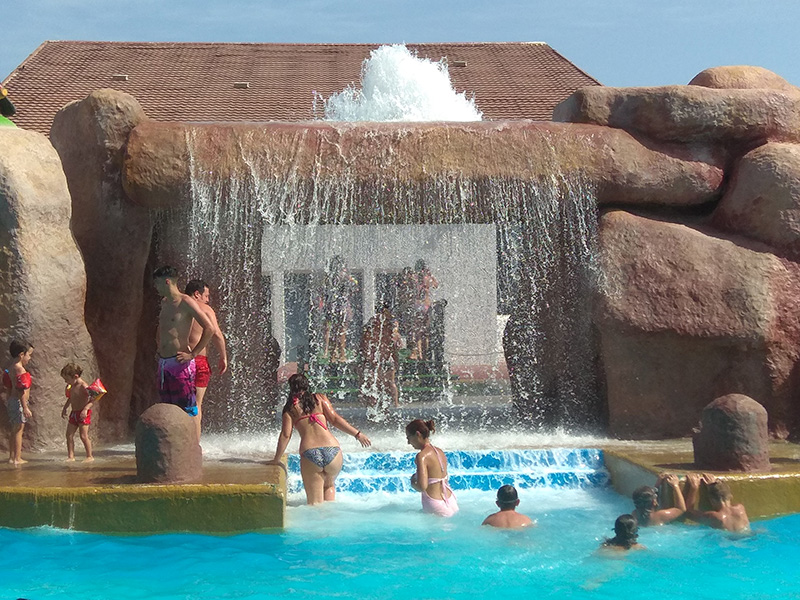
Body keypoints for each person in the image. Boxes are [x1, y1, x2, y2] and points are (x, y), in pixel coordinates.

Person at [267, 373, 371, 505]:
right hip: (333, 451)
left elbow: (285, 435)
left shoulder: (289, 409)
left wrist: (276, 459)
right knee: (329, 486)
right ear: (307, 385)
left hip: (310, 453)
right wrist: (357, 434)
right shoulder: (319, 399)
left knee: (315, 505)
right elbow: (335, 420)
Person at [153, 266, 214, 419]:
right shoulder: (165, 302)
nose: (156, 287)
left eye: (157, 283)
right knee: (167, 410)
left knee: (187, 411)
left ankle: (191, 443)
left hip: (179, 363)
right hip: (163, 364)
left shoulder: (185, 301)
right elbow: (163, 328)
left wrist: (193, 354)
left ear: (167, 282)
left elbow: (210, 328)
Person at [184, 279, 228, 440]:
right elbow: (216, 334)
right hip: (199, 360)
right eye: (206, 295)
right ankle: (194, 444)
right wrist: (223, 356)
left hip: (179, 360)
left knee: (178, 404)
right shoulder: (205, 310)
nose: (208, 300)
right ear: (197, 294)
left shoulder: (177, 307)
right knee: (196, 405)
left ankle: (180, 441)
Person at [406, 418, 459, 517]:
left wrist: (413, 482)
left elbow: (422, 486)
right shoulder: (439, 451)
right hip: (451, 500)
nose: (408, 442)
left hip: (435, 504)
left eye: (408, 437)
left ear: (418, 434)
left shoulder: (422, 456)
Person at [60, 363, 106, 462]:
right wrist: (65, 408)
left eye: (67, 379)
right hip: (74, 413)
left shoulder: (83, 386)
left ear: (75, 376)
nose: (66, 382)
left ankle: (89, 456)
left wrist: (85, 409)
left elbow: (93, 399)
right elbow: (70, 398)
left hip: (83, 413)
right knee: (69, 435)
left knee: (83, 436)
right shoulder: (71, 386)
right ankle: (71, 456)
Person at [360, 305, 401, 415]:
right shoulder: (374, 327)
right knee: (377, 383)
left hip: (385, 359)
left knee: (388, 382)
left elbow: (394, 346)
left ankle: (394, 404)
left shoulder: (388, 327)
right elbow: (365, 344)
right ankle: (377, 405)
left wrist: (396, 359)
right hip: (378, 359)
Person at [320, 256, 358, 363]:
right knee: (340, 330)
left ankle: (333, 354)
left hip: (334, 306)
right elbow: (355, 287)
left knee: (334, 330)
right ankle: (340, 354)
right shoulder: (341, 276)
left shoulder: (330, 276)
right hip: (340, 306)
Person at [684, 473, 750, 532]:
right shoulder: (741, 509)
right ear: (730, 496)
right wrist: (713, 485)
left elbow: (689, 512)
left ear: (712, 500)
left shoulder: (714, 517)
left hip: (726, 540)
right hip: (746, 537)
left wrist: (694, 487)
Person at [2, 340, 33, 465]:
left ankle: (11, 457)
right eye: (29, 355)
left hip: (12, 401)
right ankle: (17, 458)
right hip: (19, 402)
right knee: (19, 429)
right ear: (21, 355)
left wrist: (9, 400)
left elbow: (8, 386)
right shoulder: (20, 369)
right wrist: (25, 407)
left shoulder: (9, 369)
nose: (29, 358)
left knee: (14, 429)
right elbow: (21, 390)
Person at [409, 259, 438, 360]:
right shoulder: (426, 277)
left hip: (419, 305)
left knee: (419, 331)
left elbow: (435, 285)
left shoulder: (415, 277)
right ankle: (423, 355)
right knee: (424, 331)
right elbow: (436, 285)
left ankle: (420, 354)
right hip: (424, 305)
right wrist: (430, 276)